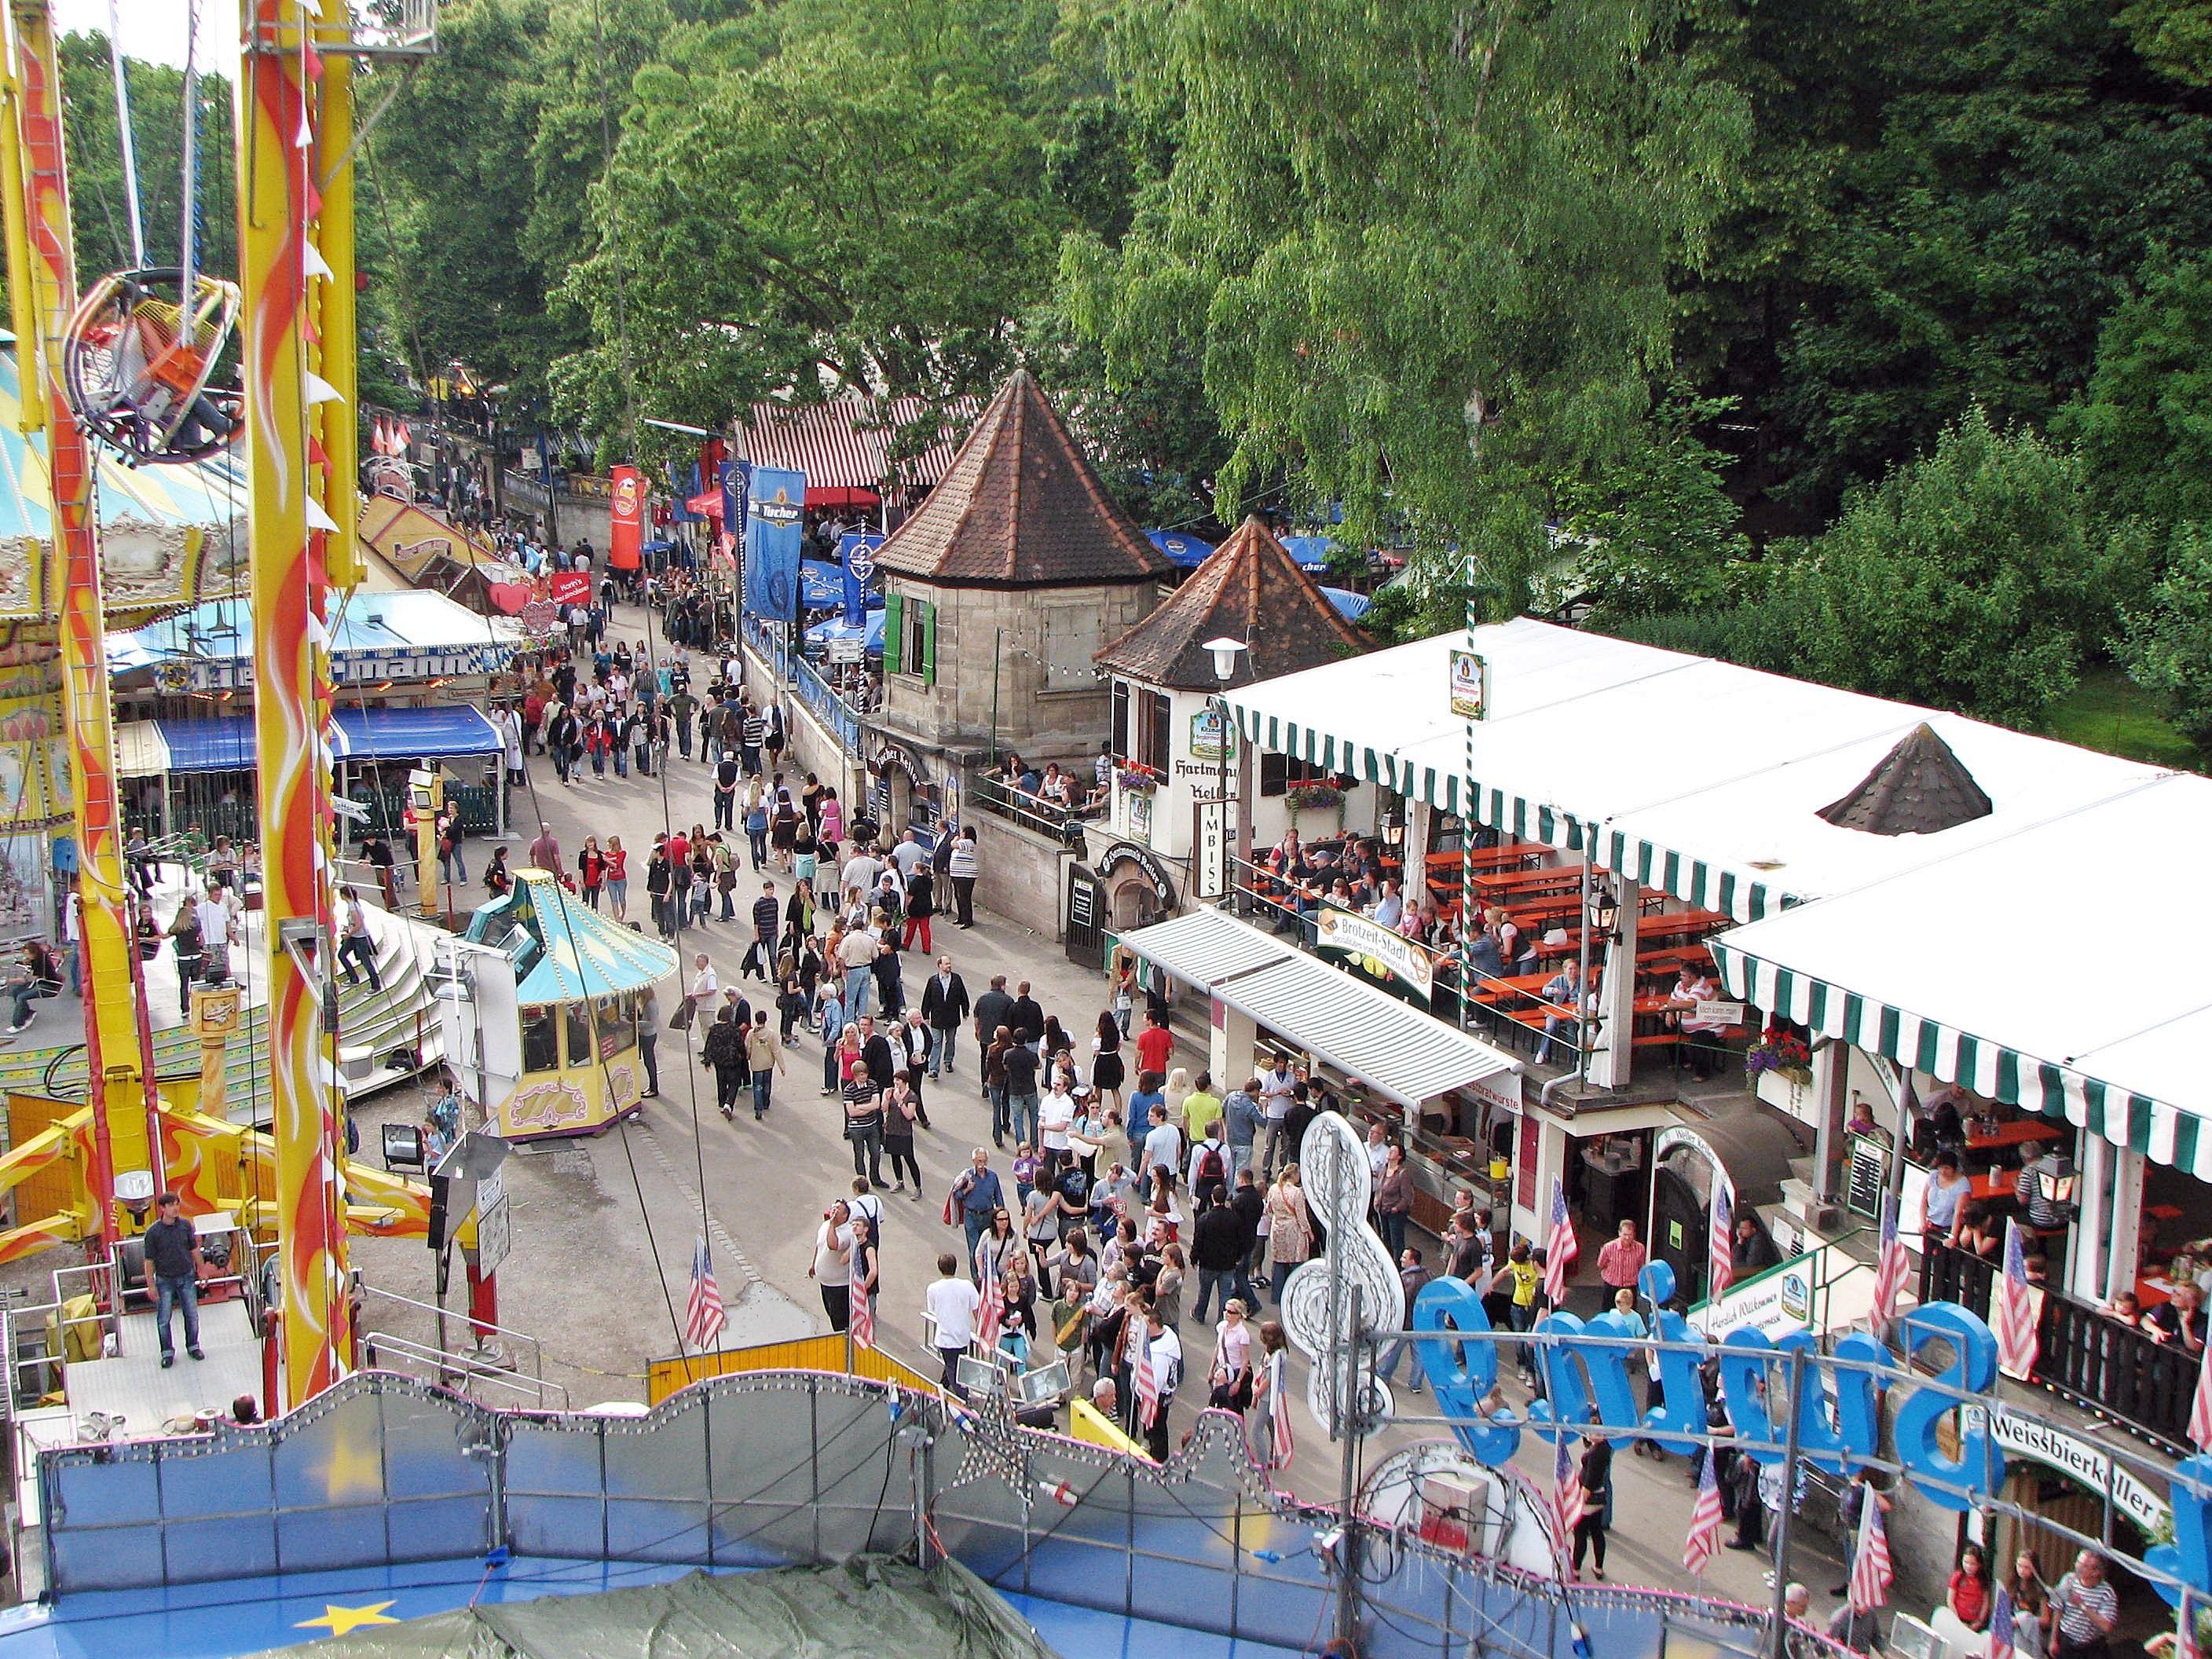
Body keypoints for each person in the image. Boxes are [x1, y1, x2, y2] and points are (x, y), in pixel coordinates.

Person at [142, 1192, 206, 1367]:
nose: (176, 1208)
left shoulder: (185, 1226)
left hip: (186, 1276)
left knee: (191, 1314)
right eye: (171, 1205)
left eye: (177, 1204)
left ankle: (193, 1346)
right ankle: (167, 1352)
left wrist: (202, 1270)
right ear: (162, 1209)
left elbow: (194, 1250)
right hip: (165, 1280)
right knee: (164, 1318)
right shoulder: (153, 1233)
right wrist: (151, 1285)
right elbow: (149, 1261)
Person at [1374, 1247, 1434, 1395]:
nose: (1401, 1259)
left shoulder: (1407, 1279)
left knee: (1393, 1351)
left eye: (1404, 1258)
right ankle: (1416, 1383)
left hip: (1405, 1322)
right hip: (1421, 1322)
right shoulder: (1428, 1275)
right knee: (1419, 1354)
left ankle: (1384, 1375)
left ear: (1412, 1261)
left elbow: (1400, 1300)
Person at [925, 1252, 981, 1395]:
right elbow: (976, 1310)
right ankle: (942, 1387)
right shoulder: (967, 1286)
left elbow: (932, 1311)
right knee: (955, 1365)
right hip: (962, 1336)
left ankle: (962, 1397)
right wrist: (981, 1330)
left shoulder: (933, 1288)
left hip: (945, 1338)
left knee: (953, 1368)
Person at [2046, 1550, 2118, 1659]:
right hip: (2067, 1641)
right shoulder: (2068, 1580)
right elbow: (2058, 1610)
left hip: (2092, 1647)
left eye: (2083, 1566)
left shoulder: (2106, 1592)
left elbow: (2107, 1626)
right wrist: (2053, 1640)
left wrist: (2082, 1605)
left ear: (2096, 1572)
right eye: (2078, 1562)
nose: (2077, 1567)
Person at [1135, 1305, 1182, 1461]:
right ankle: (1150, 1442)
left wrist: (1143, 1394)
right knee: (1154, 1428)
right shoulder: (1168, 1336)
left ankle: (1159, 1459)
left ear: (1154, 1325)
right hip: (1159, 1394)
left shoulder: (1159, 1355)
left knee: (1158, 1429)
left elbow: (1157, 1382)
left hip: (1157, 1397)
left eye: (1146, 1325)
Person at [1263, 1165, 1314, 1305]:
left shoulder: (1274, 1188)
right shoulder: (1296, 1192)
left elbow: (1268, 1209)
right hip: (1293, 1229)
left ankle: (1277, 1295)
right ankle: (1295, 1295)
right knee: (1296, 1261)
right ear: (1295, 1175)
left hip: (1278, 1227)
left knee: (1279, 1261)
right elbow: (1301, 1216)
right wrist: (1308, 1231)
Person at [950, 1148, 1006, 1274]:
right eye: (979, 1161)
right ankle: (977, 1278)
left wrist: (1002, 1216)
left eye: (984, 1161)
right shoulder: (967, 1176)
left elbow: (999, 1197)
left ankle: (989, 1275)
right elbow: (956, 1195)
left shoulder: (993, 1176)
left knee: (988, 1248)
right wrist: (967, 1190)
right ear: (973, 1161)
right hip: (971, 1217)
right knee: (975, 1250)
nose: (982, 1165)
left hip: (988, 1216)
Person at [919, 955, 969, 1079]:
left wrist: (965, 1011)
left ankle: (948, 1061)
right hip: (937, 1017)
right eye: (946, 964)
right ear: (940, 965)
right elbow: (927, 998)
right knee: (937, 1042)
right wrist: (925, 1014)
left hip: (952, 1017)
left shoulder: (956, 979)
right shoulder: (933, 981)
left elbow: (963, 995)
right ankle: (934, 1068)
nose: (949, 966)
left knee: (950, 1041)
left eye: (949, 963)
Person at [1571, 1434, 1613, 1580]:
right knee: (1597, 1532)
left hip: (1588, 1496)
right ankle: (1599, 1567)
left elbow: (1590, 1480)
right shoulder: (1604, 1449)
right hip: (1599, 1496)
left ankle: (1575, 1569)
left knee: (1580, 1534)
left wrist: (1580, 1501)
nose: (1590, 1434)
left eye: (1595, 1433)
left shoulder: (1595, 1454)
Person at [808, 1200, 852, 1332]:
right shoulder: (826, 1225)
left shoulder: (847, 1232)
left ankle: (846, 1346)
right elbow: (819, 1245)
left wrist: (832, 1224)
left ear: (845, 1216)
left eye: (838, 1209)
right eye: (834, 1207)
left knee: (840, 1322)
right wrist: (813, 1264)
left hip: (839, 1287)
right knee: (832, 1315)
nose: (834, 1210)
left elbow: (833, 1245)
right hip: (825, 1283)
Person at [842, 1057, 886, 1188]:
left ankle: (875, 1178)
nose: (864, 1076)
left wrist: (860, 1107)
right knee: (859, 1154)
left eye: (865, 1074)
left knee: (876, 1153)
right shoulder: (849, 1090)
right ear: (855, 1075)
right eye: (861, 1074)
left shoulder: (872, 1084)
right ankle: (863, 1183)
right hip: (856, 1128)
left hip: (871, 1125)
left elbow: (877, 1104)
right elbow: (852, 1112)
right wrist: (869, 1107)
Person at [1209, 1298, 1255, 1414]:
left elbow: (1245, 1360)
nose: (1226, 1313)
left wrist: (1238, 1381)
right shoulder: (1222, 1327)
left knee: (1233, 1407)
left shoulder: (1242, 1334)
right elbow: (1218, 1348)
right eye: (1225, 1310)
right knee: (1216, 1404)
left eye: (1230, 1312)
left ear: (1238, 1315)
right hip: (1222, 1371)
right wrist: (1211, 1370)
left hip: (1234, 1373)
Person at [881, 1073, 923, 1194]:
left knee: (909, 1159)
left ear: (904, 1081)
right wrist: (887, 1098)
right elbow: (883, 1109)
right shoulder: (892, 1092)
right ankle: (899, 1181)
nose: (895, 1082)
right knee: (895, 1157)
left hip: (904, 1132)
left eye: (898, 1080)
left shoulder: (911, 1096)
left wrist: (900, 1102)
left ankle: (917, 1187)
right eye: (895, 1079)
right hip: (891, 1130)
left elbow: (909, 1115)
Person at [1374, 1143, 1414, 1259]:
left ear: (1399, 1156)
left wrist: (1396, 1208)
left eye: (1393, 1151)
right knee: (1385, 1239)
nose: (1390, 1153)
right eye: (1390, 1150)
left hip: (1395, 1213)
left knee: (1396, 1242)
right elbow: (1380, 1187)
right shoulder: (1384, 1169)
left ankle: (1398, 1265)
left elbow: (1407, 1197)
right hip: (1382, 1209)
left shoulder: (1402, 1173)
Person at [745, 1010, 785, 1122]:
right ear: (766, 1020)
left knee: (757, 1086)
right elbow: (776, 1051)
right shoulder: (771, 1034)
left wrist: (748, 1057)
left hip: (756, 1064)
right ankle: (766, 1102)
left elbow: (748, 1048)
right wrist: (782, 1067)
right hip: (768, 1064)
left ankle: (758, 1109)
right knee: (767, 1084)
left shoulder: (751, 1033)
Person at [1925, 1151, 1971, 1236]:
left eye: (1947, 1168)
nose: (1943, 1171)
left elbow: (1958, 1213)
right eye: (1941, 1167)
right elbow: (1923, 1201)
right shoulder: (1933, 1176)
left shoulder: (1963, 1185)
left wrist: (1952, 1236)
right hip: (1930, 1225)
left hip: (1947, 1228)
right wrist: (1922, 1223)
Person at [1596, 1218, 1646, 1299]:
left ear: (1634, 1234)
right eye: (1625, 1234)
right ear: (1619, 1233)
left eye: (1630, 1235)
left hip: (1630, 1288)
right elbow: (1601, 1264)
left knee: (1630, 1311)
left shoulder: (1640, 1248)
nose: (1627, 1238)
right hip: (1611, 1286)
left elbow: (1641, 1266)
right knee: (1608, 1311)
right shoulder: (1608, 1247)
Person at [1949, 1544, 1994, 1632]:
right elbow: (1950, 1600)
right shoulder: (1957, 1577)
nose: (1968, 1566)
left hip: (1973, 1623)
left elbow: (1986, 1602)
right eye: (1966, 1562)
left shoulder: (1983, 1580)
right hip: (1957, 1619)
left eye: (1972, 1564)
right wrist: (1957, 1621)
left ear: (1979, 1565)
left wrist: (1979, 1622)